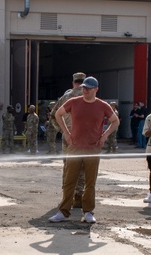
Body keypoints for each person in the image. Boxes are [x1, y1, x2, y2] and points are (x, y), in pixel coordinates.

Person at [48, 76, 119, 224]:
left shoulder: (102, 105)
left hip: (93, 149)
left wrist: (104, 136)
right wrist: (66, 133)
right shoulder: (73, 102)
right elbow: (57, 114)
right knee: (69, 181)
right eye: (84, 88)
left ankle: (88, 212)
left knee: (90, 182)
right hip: (74, 148)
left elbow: (115, 121)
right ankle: (63, 211)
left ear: (96, 89)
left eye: (88, 88)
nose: (85, 90)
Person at [57, 72, 87, 207]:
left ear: (73, 82)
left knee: (68, 166)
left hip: (68, 137)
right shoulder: (90, 96)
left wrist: (63, 130)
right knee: (83, 166)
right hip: (86, 136)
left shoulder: (66, 97)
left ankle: (66, 197)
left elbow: (54, 115)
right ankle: (79, 196)